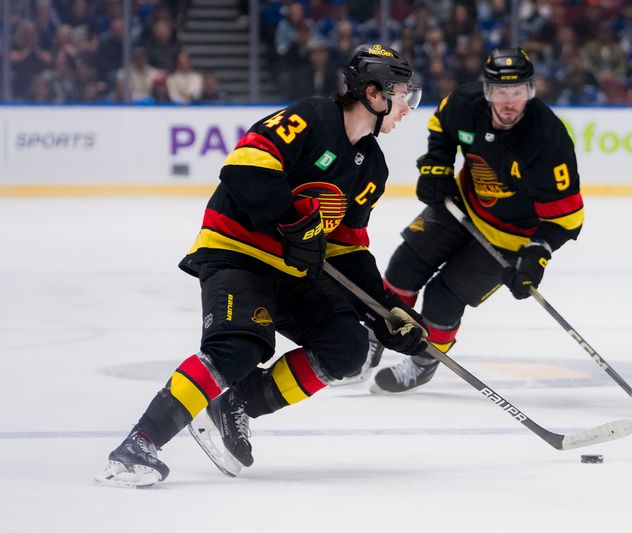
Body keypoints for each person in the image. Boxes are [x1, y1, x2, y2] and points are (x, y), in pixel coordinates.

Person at [96, 43, 427, 487]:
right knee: (238, 347)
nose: (408, 107)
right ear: (372, 93)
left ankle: (238, 402)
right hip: (237, 252)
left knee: (347, 346)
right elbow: (244, 167)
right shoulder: (309, 118)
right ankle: (139, 443)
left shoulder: (372, 168)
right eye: (403, 94)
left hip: (290, 271)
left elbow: (346, 249)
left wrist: (385, 312)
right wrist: (295, 221)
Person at [367, 47, 584, 394]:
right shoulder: (465, 104)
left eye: (517, 92)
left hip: (510, 236)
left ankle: (424, 360)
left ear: (530, 91)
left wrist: (536, 254)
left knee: (442, 297)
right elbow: (441, 124)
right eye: (501, 92)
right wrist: (437, 165)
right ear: (487, 91)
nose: (509, 102)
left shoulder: (548, 140)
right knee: (404, 268)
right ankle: (377, 336)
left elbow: (567, 219)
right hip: (461, 206)